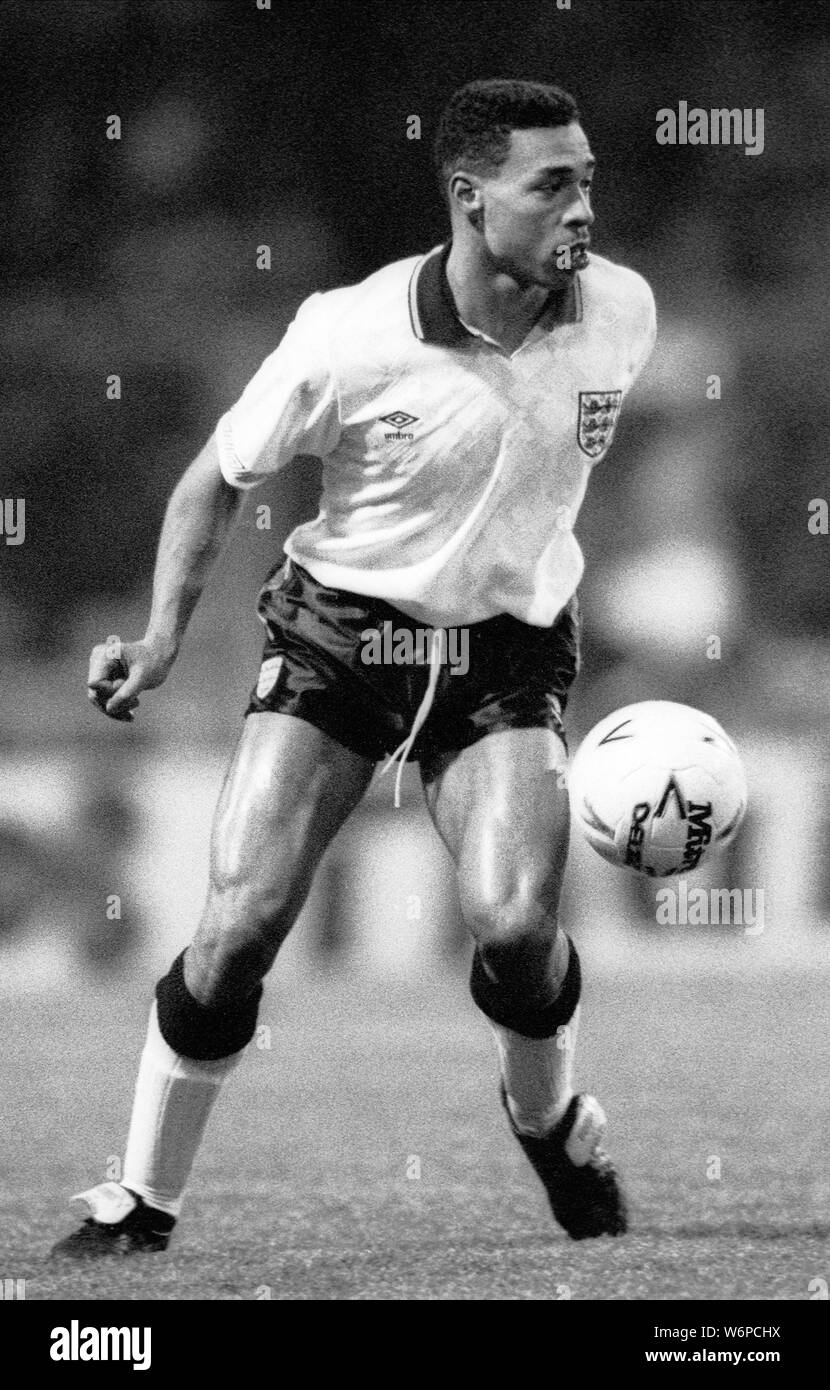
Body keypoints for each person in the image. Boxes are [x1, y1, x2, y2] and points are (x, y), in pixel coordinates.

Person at [52, 77, 656, 1258]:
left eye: (586, 179)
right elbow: (214, 477)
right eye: (552, 185)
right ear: (469, 198)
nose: (581, 207)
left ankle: (547, 1120)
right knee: (239, 925)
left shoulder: (620, 310)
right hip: (343, 639)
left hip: (502, 653)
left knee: (516, 923)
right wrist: (162, 638)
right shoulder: (349, 333)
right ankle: (141, 1199)